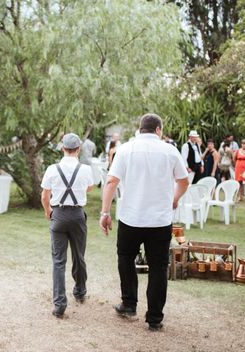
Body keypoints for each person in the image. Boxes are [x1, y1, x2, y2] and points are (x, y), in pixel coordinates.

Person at [100, 113, 189, 332]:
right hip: (159, 220)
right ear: (158, 129)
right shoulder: (169, 150)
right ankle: (155, 318)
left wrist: (105, 212)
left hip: (131, 217)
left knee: (125, 258)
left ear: (141, 129)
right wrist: (174, 199)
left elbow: (111, 181)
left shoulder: (126, 149)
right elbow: (184, 181)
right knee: (158, 266)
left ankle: (129, 304)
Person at [40, 133, 94, 318]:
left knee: (58, 261)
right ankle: (80, 292)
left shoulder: (52, 169)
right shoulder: (85, 169)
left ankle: (60, 305)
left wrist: (48, 212)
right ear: (78, 149)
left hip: (59, 214)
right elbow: (89, 188)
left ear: (63, 148)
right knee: (79, 256)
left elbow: (45, 196)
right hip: (78, 215)